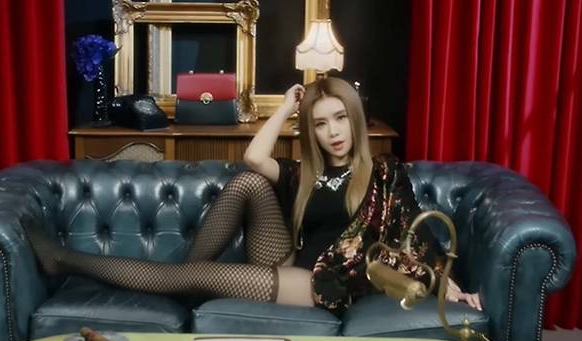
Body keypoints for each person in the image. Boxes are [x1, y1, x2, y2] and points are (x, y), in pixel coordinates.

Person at [24, 77, 481, 314]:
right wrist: (285, 107)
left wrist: (450, 285)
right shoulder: (304, 173)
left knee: (193, 275)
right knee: (249, 181)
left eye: (340, 119)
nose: (333, 132)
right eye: (321, 124)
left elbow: (418, 232)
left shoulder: (383, 172)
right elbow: (254, 157)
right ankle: (184, 281)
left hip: (323, 282)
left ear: (355, 120)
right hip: (288, 259)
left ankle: (65, 261)